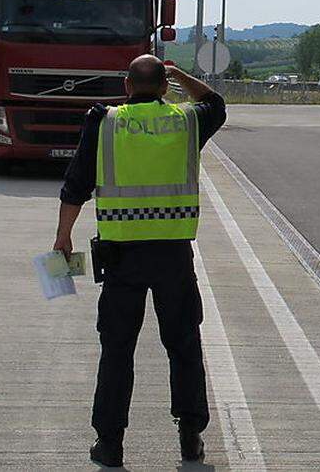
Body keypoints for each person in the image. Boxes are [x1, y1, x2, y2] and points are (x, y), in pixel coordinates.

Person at [51, 55, 226, 467]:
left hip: (121, 258)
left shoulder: (105, 121)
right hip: (173, 258)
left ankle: (109, 444)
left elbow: (76, 182)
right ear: (165, 88)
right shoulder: (187, 122)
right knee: (183, 346)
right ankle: (190, 438)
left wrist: (62, 236)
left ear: (127, 86)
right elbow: (216, 103)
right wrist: (181, 75)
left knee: (117, 350)